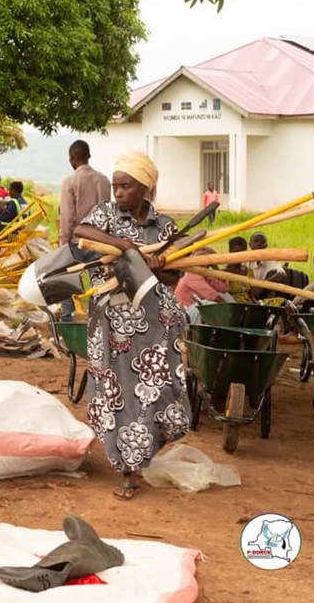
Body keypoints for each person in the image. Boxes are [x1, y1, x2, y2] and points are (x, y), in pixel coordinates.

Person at [74, 150, 190, 501]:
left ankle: (141, 453)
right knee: (117, 393)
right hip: (113, 320)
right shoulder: (106, 215)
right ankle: (127, 468)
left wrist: (152, 266)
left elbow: (173, 276)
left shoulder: (164, 225)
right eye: (115, 186)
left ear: (146, 188)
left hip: (155, 322)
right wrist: (121, 246)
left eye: (126, 187)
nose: (118, 193)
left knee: (154, 390)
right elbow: (80, 231)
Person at [59, 140, 111, 322]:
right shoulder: (104, 181)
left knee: (68, 282)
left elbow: (67, 216)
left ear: (72, 159)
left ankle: (67, 320)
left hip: (76, 242)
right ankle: (98, 321)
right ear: (88, 156)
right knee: (99, 285)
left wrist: (63, 243)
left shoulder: (70, 182)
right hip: (100, 242)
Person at [173, 248, 231, 322]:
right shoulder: (192, 275)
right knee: (207, 303)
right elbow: (213, 296)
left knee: (224, 295)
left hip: (196, 311)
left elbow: (224, 289)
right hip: (184, 313)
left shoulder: (205, 274)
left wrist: (215, 268)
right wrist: (229, 309)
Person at [224, 236, 253, 303]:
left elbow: (252, 294)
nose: (239, 255)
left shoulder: (249, 271)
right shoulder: (223, 273)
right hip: (234, 306)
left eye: (242, 252)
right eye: (236, 251)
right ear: (230, 251)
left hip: (249, 305)